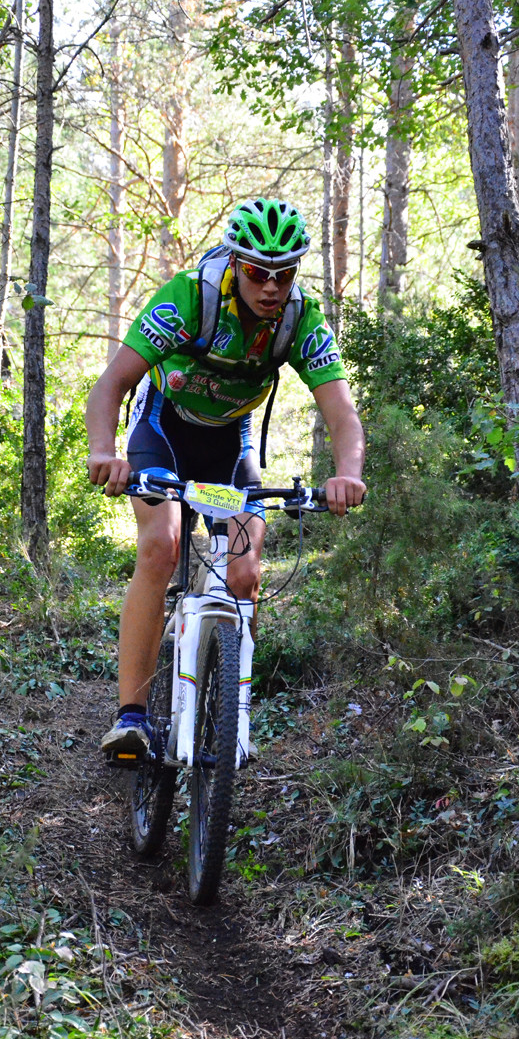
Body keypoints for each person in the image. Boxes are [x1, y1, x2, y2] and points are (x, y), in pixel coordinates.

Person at [85, 197, 366, 758]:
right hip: (161, 430)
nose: (270, 287)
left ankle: (231, 711)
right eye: (258, 272)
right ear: (235, 264)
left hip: (229, 446)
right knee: (161, 547)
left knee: (243, 575)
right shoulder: (189, 299)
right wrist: (105, 452)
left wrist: (347, 474)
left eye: (283, 274)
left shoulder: (299, 320)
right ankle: (132, 717)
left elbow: (342, 413)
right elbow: (110, 385)